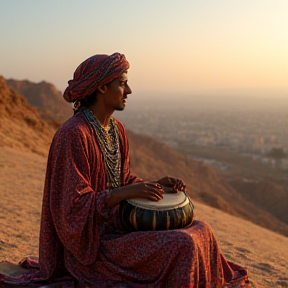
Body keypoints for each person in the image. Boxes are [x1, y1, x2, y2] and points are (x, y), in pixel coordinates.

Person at [1, 53, 249, 288]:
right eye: (122, 83)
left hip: (122, 226)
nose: (128, 91)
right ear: (101, 87)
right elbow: (72, 208)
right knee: (183, 243)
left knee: (202, 229)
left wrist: (156, 185)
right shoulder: (73, 134)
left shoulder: (116, 129)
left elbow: (122, 179)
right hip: (95, 246)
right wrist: (127, 192)